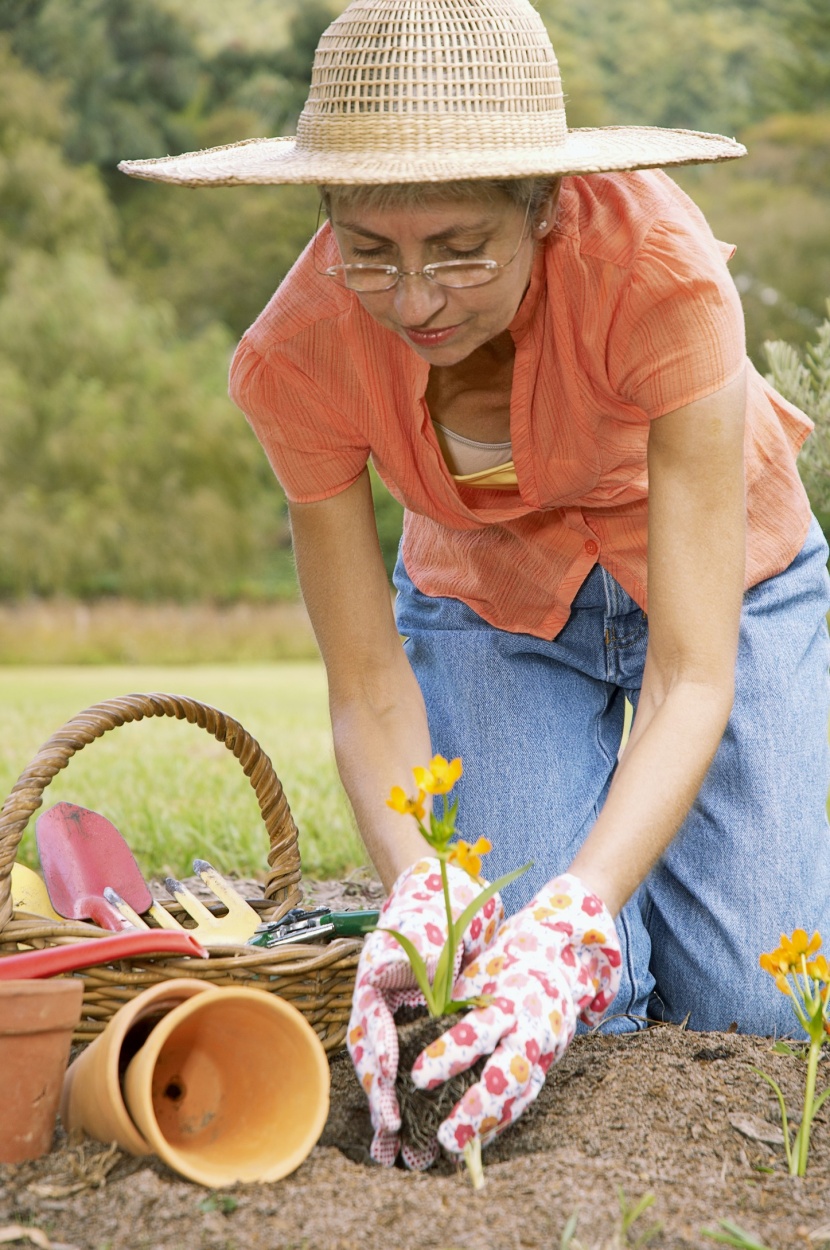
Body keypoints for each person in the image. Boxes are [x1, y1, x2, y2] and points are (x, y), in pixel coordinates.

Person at [119, 0, 830, 1172]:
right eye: (370, 252)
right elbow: (365, 686)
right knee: (528, 997)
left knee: (756, 1005)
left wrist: (580, 908)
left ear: (541, 209)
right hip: (489, 603)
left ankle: (681, 858)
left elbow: (692, 671)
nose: (414, 300)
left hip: (722, 585)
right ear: (326, 217)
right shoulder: (292, 356)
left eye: (459, 247)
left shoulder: (659, 276)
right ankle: (616, 872)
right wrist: (421, 897)